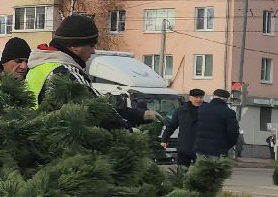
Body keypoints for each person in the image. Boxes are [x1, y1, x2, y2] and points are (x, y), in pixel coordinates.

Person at [25, 13, 158, 129]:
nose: (93, 51)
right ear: (74, 46)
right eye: (91, 45)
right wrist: (129, 131)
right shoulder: (66, 73)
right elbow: (98, 110)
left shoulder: (39, 66)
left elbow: (97, 101)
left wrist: (137, 114)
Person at [193, 88, 241, 160]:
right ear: (226, 100)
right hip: (219, 150)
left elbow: (194, 127)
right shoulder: (229, 112)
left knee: (202, 170)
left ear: (213, 97)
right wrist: (227, 145)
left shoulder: (202, 108)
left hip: (201, 149)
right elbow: (234, 133)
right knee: (217, 170)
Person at [164, 88, 205, 166]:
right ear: (190, 98)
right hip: (185, 146)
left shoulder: (207, 110)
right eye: (196, 97)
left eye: (201, 97)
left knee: (201, 174)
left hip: (202, 147)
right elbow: (172, 126)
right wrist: (164, 139)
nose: (199, 99)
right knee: (182, 172)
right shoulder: (181, 110)